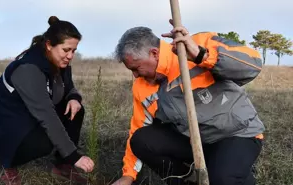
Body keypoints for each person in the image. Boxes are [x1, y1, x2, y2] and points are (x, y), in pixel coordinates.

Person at [111, 19, 265, 185]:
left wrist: (201, 56)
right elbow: (138, 128)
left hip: (235, 134)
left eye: (136, 68)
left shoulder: (196, 45)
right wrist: (128, 175)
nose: (135, 75)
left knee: (222, 179)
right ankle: (188, 178)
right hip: (194, 142)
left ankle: (234, 171)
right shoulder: (142, 87)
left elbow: (253, 64)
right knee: (141, 140)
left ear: (154, 53)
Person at [0, 16, 94, 185]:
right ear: (49, 45)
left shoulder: (58, 61)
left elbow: (69, 86)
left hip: (26, 117)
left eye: (74, 50)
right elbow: (46, 115)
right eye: (66, 50)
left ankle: (63, 165)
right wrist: (74, 155)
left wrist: (73, 98)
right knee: (45, 141)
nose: (70, 56)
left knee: (75, 110)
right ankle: (8, 164)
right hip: (5, 128)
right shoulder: (28, 69)